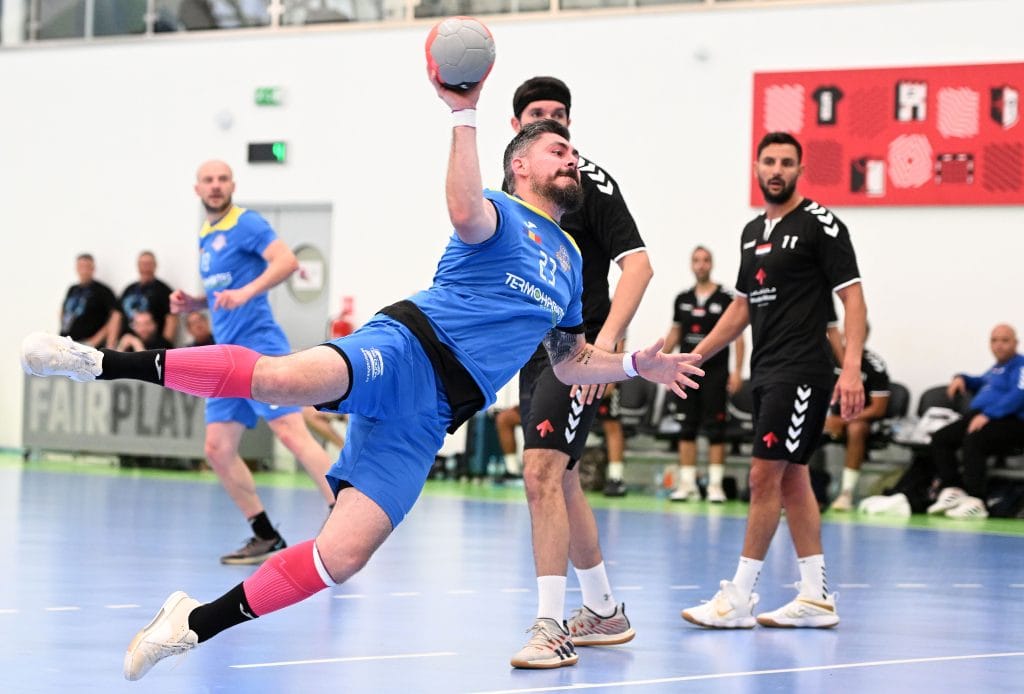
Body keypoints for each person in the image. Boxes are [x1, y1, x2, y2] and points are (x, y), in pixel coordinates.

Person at [20, 69, 702, 680]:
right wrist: (463, 111)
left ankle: (192, 623)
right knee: (282, 380)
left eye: (572, 151)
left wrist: (636, 364)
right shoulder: (500, 213)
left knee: (341, 558)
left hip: (435, 414)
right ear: (519, 165)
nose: (571, 158)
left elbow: (569, 360)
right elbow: (462, 207)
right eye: (557, 151)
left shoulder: (571, 264)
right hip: (406, 348)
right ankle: (97, 363)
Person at [680, 132, 867, 629]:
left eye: (786, 162)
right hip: (766, 371)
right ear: (757, 168)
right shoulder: (751, 232)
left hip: (802, 370)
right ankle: (815, 598)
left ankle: (739, 598)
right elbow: (741, 307)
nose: (777, 169)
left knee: (763, 476)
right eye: (769, 161)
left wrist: (851, 368)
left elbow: (853, 299)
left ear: (800, 170)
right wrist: (695, 357)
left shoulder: (821, 224)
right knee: (792, 478)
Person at [507, 76, 653, 666]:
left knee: (541, 472)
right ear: (516, 131)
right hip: (531, 352)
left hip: (579, 348)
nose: (552, 120)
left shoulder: (589, 182)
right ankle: (603, 610)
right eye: (538, 114)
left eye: (561, 114)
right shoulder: (513, 189)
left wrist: (606, 346)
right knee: (562, 478)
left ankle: (549, 626)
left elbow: (638, 266)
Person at [169, 159, 336, 565]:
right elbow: (222, 293)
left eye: (222, 179)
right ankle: (265, 536)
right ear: (197, 189)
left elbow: (286, 262)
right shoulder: (207, 234)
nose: (215, 186)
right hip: (225, 358)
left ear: (232, 185)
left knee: (292, 433)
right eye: (208, 180)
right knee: (217, 449)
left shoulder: (247, 223)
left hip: (260, 349)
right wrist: (195, 303)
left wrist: (246, 293)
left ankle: (343, 514)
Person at [663, 245, 745, 503]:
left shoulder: (726, 297)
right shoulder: (682, 298)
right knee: (686, 427)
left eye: (706, 260)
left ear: (712, 264)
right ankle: (687, 484)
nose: (701, 265)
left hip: (716, 373)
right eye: (697, 260)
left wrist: (737, 371)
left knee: (715, 429)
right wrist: (661, 363)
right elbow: (675, 333)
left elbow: (738, 336)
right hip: (686, 373)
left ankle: (715, 486)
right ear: (691, 264)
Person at [925, 323, 1024, 519]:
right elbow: (979, 381)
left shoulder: (1020, 366)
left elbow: (1019, 394)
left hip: (1010, 420)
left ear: (1015, 343)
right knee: (941, 438)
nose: (999, 345)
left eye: (1005, 340)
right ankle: (954, 489)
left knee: (974, 439)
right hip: (982, 416)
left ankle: (976, 499)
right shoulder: (996, 369)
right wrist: (961, 378)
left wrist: (990, 414)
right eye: (994, 340)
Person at [823, 325, 890, 511]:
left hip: (858, 418)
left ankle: (846, 493)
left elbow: (878, 408)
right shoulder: (827, 357)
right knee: (802, 422)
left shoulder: (874, 365)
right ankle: (805, 489)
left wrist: (842, 420)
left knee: (856, 429)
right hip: (828, 415)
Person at [60, 253, 120, 348]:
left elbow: (116, 316)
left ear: (93, 268)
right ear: (76, 268)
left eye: (87, 267)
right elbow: (64, 311)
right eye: (81, 266)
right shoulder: (72, 289)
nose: (84, 270)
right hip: (65, 342)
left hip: (86, 345)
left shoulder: (103, 291)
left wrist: (98, 341)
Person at [120, 250, 178, 346]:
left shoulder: (164, 291)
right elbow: (117, 315)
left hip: (153, 346)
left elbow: (172, 319)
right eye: (143, 263)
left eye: (149, 263)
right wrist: (112, 344)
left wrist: (165, 346)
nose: (146, 267)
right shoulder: (129, 289)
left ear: (155, 265)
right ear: (138, 266)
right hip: (128, 343)